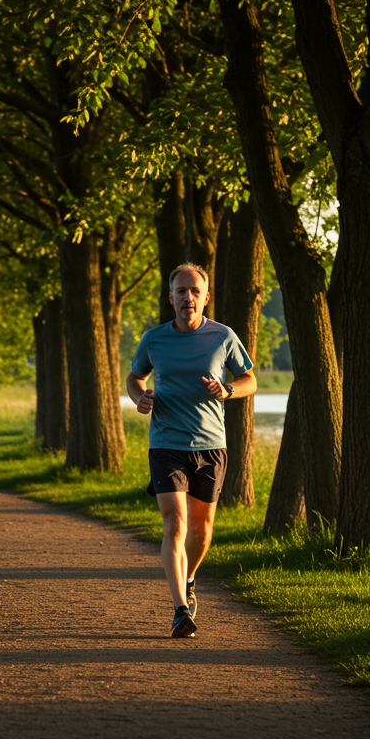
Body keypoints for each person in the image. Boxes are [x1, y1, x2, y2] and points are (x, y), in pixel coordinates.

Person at [126, 263, 256, 638]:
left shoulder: (223, 337)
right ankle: (180, 609)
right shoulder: (154, 339)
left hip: (211, 445)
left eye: (194, 291)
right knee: (175, 523)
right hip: (166, 443)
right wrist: (140, 398)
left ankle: (191, 576)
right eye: (181, 291)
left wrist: (228, 390)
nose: (188, 297)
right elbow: (135, 377)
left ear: (205, 296)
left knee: (201, 530)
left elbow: (249, 379)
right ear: (171, 297)